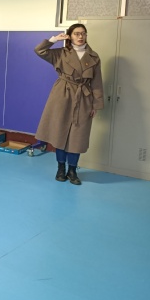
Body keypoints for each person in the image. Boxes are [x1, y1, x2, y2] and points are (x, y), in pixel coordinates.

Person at [35, 24, 103, 185]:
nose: (80, 36)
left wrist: (96, 104)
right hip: (62, 96)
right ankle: (61, 168)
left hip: (84, 97)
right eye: (77, 33)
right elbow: (39, 50)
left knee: (78, 137)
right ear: (70, 36)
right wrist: (54, 39)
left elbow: (97, 82)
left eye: (83, 33)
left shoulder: (93, 57)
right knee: (60, 133)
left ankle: (72, 170)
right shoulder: (60, 53)